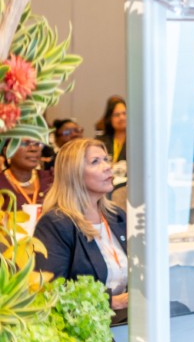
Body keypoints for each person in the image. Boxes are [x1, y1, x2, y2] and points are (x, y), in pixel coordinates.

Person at [34, 139, 127, 316]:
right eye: (95, 162)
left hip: (127, 320)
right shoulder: (55, 224)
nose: (107, 167)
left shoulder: (117, 216)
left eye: (106, 159)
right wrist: (113, 302)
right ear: (73, 174)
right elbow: (50, 292)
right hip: (83, 325)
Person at [1, 138, 53, 210]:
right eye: (24, 143)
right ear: (7, 151)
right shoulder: (1, 183)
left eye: (37, 144)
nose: (34, 149)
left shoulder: (52, 179)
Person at [96, 96, 127, 164]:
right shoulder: (100, 141)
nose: (122, 118)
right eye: (117, 115)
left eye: (124, 113)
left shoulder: (137, 141)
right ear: (109, 118)